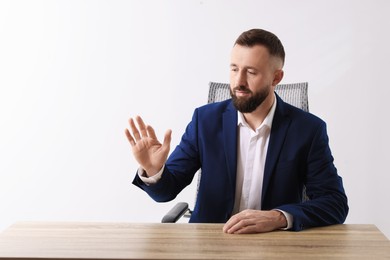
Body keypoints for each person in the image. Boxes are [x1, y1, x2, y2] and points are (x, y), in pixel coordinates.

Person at [125, 28, 348, 234]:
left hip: (274, 245)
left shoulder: (308, 130)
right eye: (234, 69)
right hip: (209, 244)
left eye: (251, 72)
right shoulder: (205, 121)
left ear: (276, 78)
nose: (238, 81)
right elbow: (166, 192)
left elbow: (334, 203)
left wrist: (278, 217)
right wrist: (154, 171)